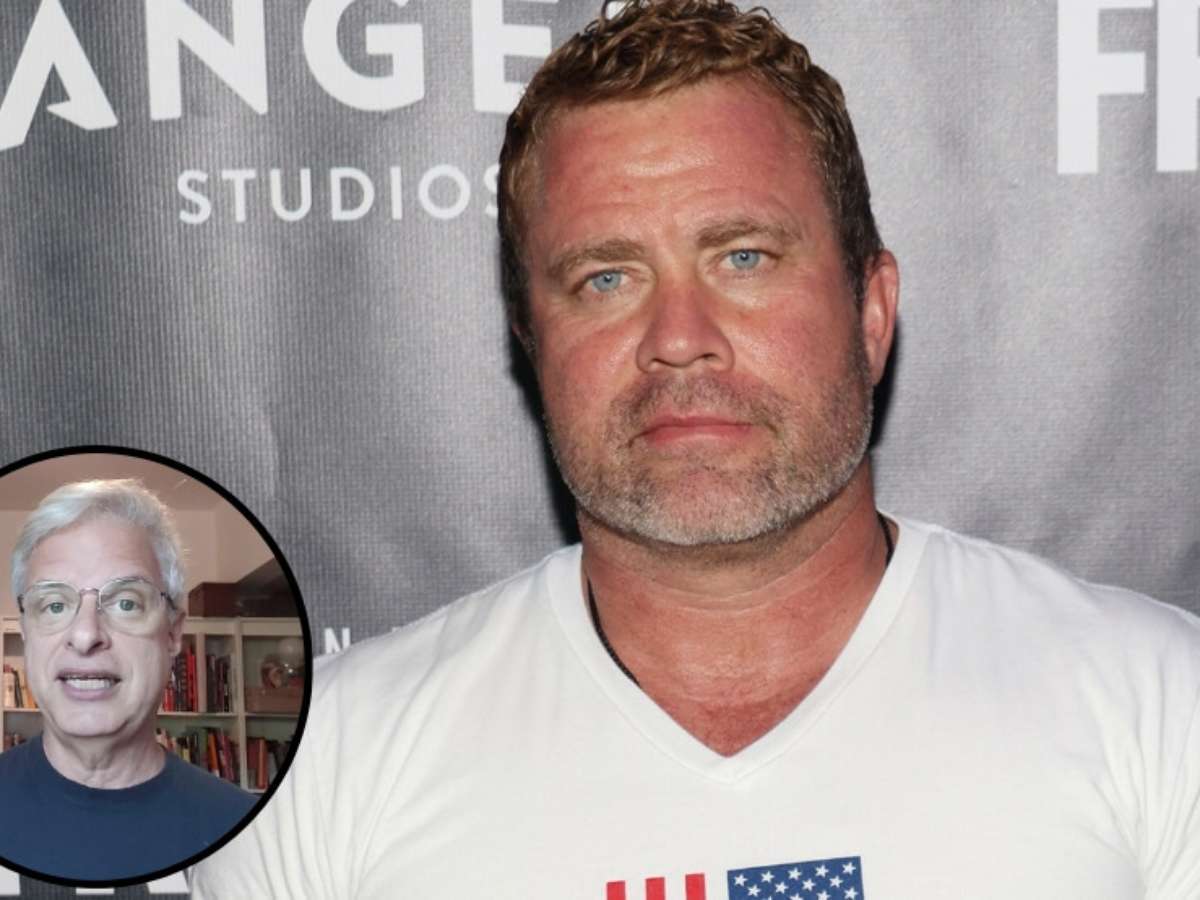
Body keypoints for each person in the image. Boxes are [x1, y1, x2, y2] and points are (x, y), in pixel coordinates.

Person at [192, 1, 1200, 896]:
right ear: (531, 341)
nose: (679, 338)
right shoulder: (326, 768)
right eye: (606, 278)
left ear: (871, 311)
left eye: (744, 257)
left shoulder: (1159, 707)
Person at [1, 479, 255, 883]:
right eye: (54, 605)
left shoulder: (252, 832)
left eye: (125, 603)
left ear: (173, 633)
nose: (86, 635)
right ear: (27, 632)